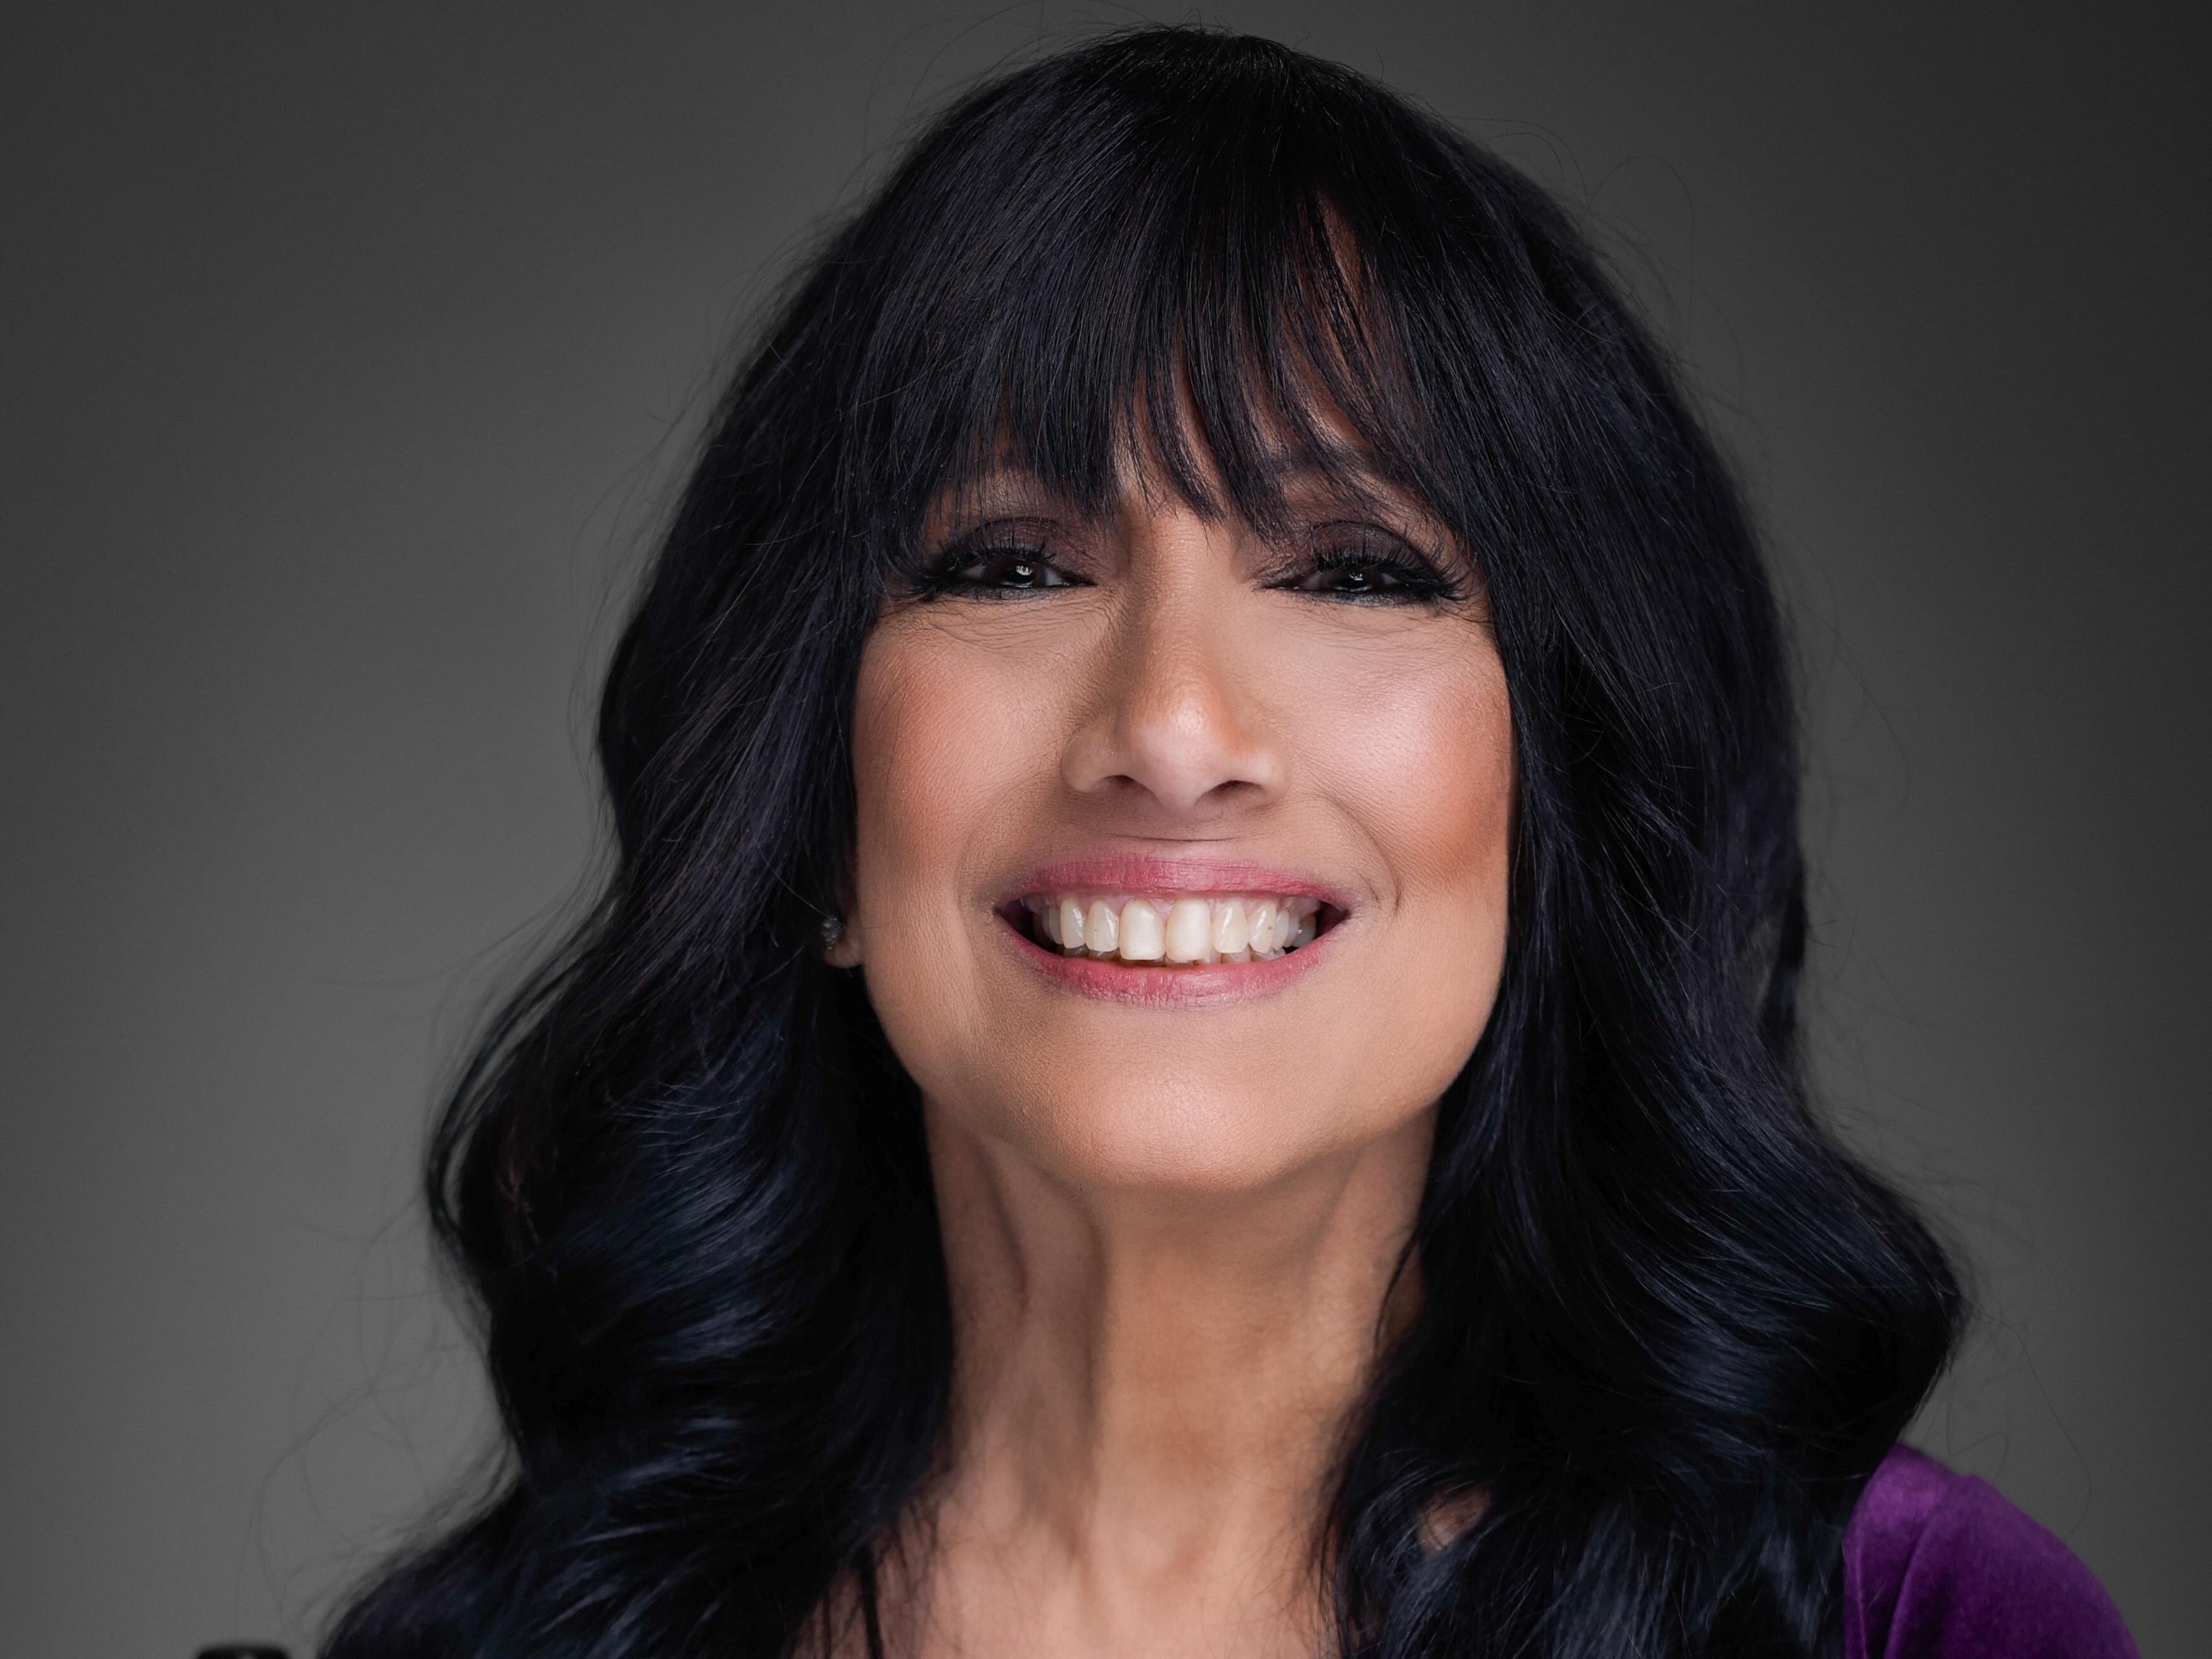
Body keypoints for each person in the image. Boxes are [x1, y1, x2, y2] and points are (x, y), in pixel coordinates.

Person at [325, 27, 2136, 1659]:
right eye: (1011, 563)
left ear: (1550, 801)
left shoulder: (1918, 1625)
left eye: (1354, 570)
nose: (1174, 732)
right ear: (810, 822)